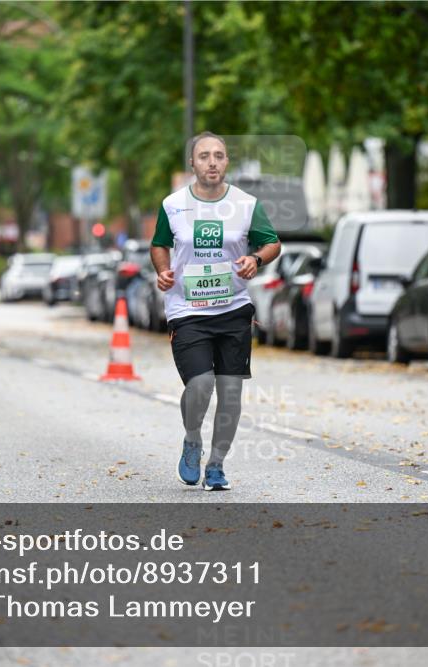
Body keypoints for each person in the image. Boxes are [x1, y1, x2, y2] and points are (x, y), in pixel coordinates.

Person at [150, 132, 281, 491]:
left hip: (233, 308)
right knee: (201, 383)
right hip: (187, 309)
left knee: (230, 392)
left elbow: (272, 243)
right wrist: (162, 271)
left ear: (227, 162)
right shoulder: (173, 205)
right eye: (204, 156)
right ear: (192, 163)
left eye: (219, 155)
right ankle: (193, 438)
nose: (212, 162)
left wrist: (255, 259)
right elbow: (160, 244)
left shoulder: (246, 204)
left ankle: (217, 466)